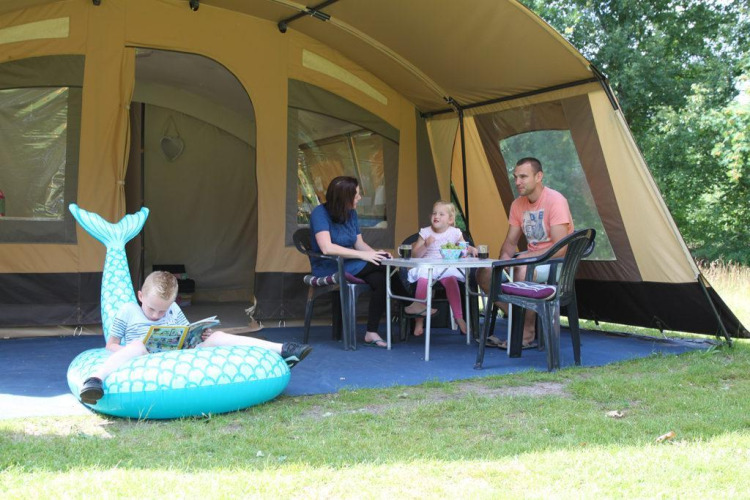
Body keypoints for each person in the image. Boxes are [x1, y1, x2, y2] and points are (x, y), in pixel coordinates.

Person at [79, 271, 312, 404]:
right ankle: (94, 381)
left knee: (218, 336)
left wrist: (200, 335)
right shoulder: (128, 310)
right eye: (152, 309)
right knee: (138, 345)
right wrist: (135, 349)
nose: (158, 315)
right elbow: (111, 344)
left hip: (176, 355)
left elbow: (185, 336)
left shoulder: (173, 310)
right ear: (140, 296)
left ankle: (283, 349)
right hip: (140, 357)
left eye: (163, 310)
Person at [476, 157, 574, 349]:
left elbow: (561, 247)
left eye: (523, 177)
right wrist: (503, 263)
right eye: (515, 177)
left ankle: (527, 333)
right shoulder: (518, 204)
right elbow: (510, 243)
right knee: (485, 272)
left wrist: (526, 258)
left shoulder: (555, 201)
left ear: (539, 176)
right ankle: (522, 314)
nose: (517, 182)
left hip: (556, 263)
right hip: (531, 262)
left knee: (522, 270)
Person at [310, 176, 406, 348]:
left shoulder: (351, 214)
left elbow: (359, 243)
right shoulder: (320, 213)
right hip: (329, 265)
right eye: (356, 195)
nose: (359, 198)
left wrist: (375, 254)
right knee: (383, 267)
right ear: (343, 197)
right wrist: (365, 256)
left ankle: (371, 332)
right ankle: (410, 304)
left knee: (382, 277)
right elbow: (326, 248)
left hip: (352, 262)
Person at [404, 200, 477, 337]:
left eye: (441, 214)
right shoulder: (425, 232)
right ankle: (419, 320)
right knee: (423, 281)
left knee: (451, 281)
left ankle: (459, 317)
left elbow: (464, 247)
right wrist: (425, 245)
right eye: (434, 213)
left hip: (446, 266)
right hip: (427, 265)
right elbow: (415, 255)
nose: (436, 216)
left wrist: (472, 249)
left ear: (450, 220)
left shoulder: (455, 232)